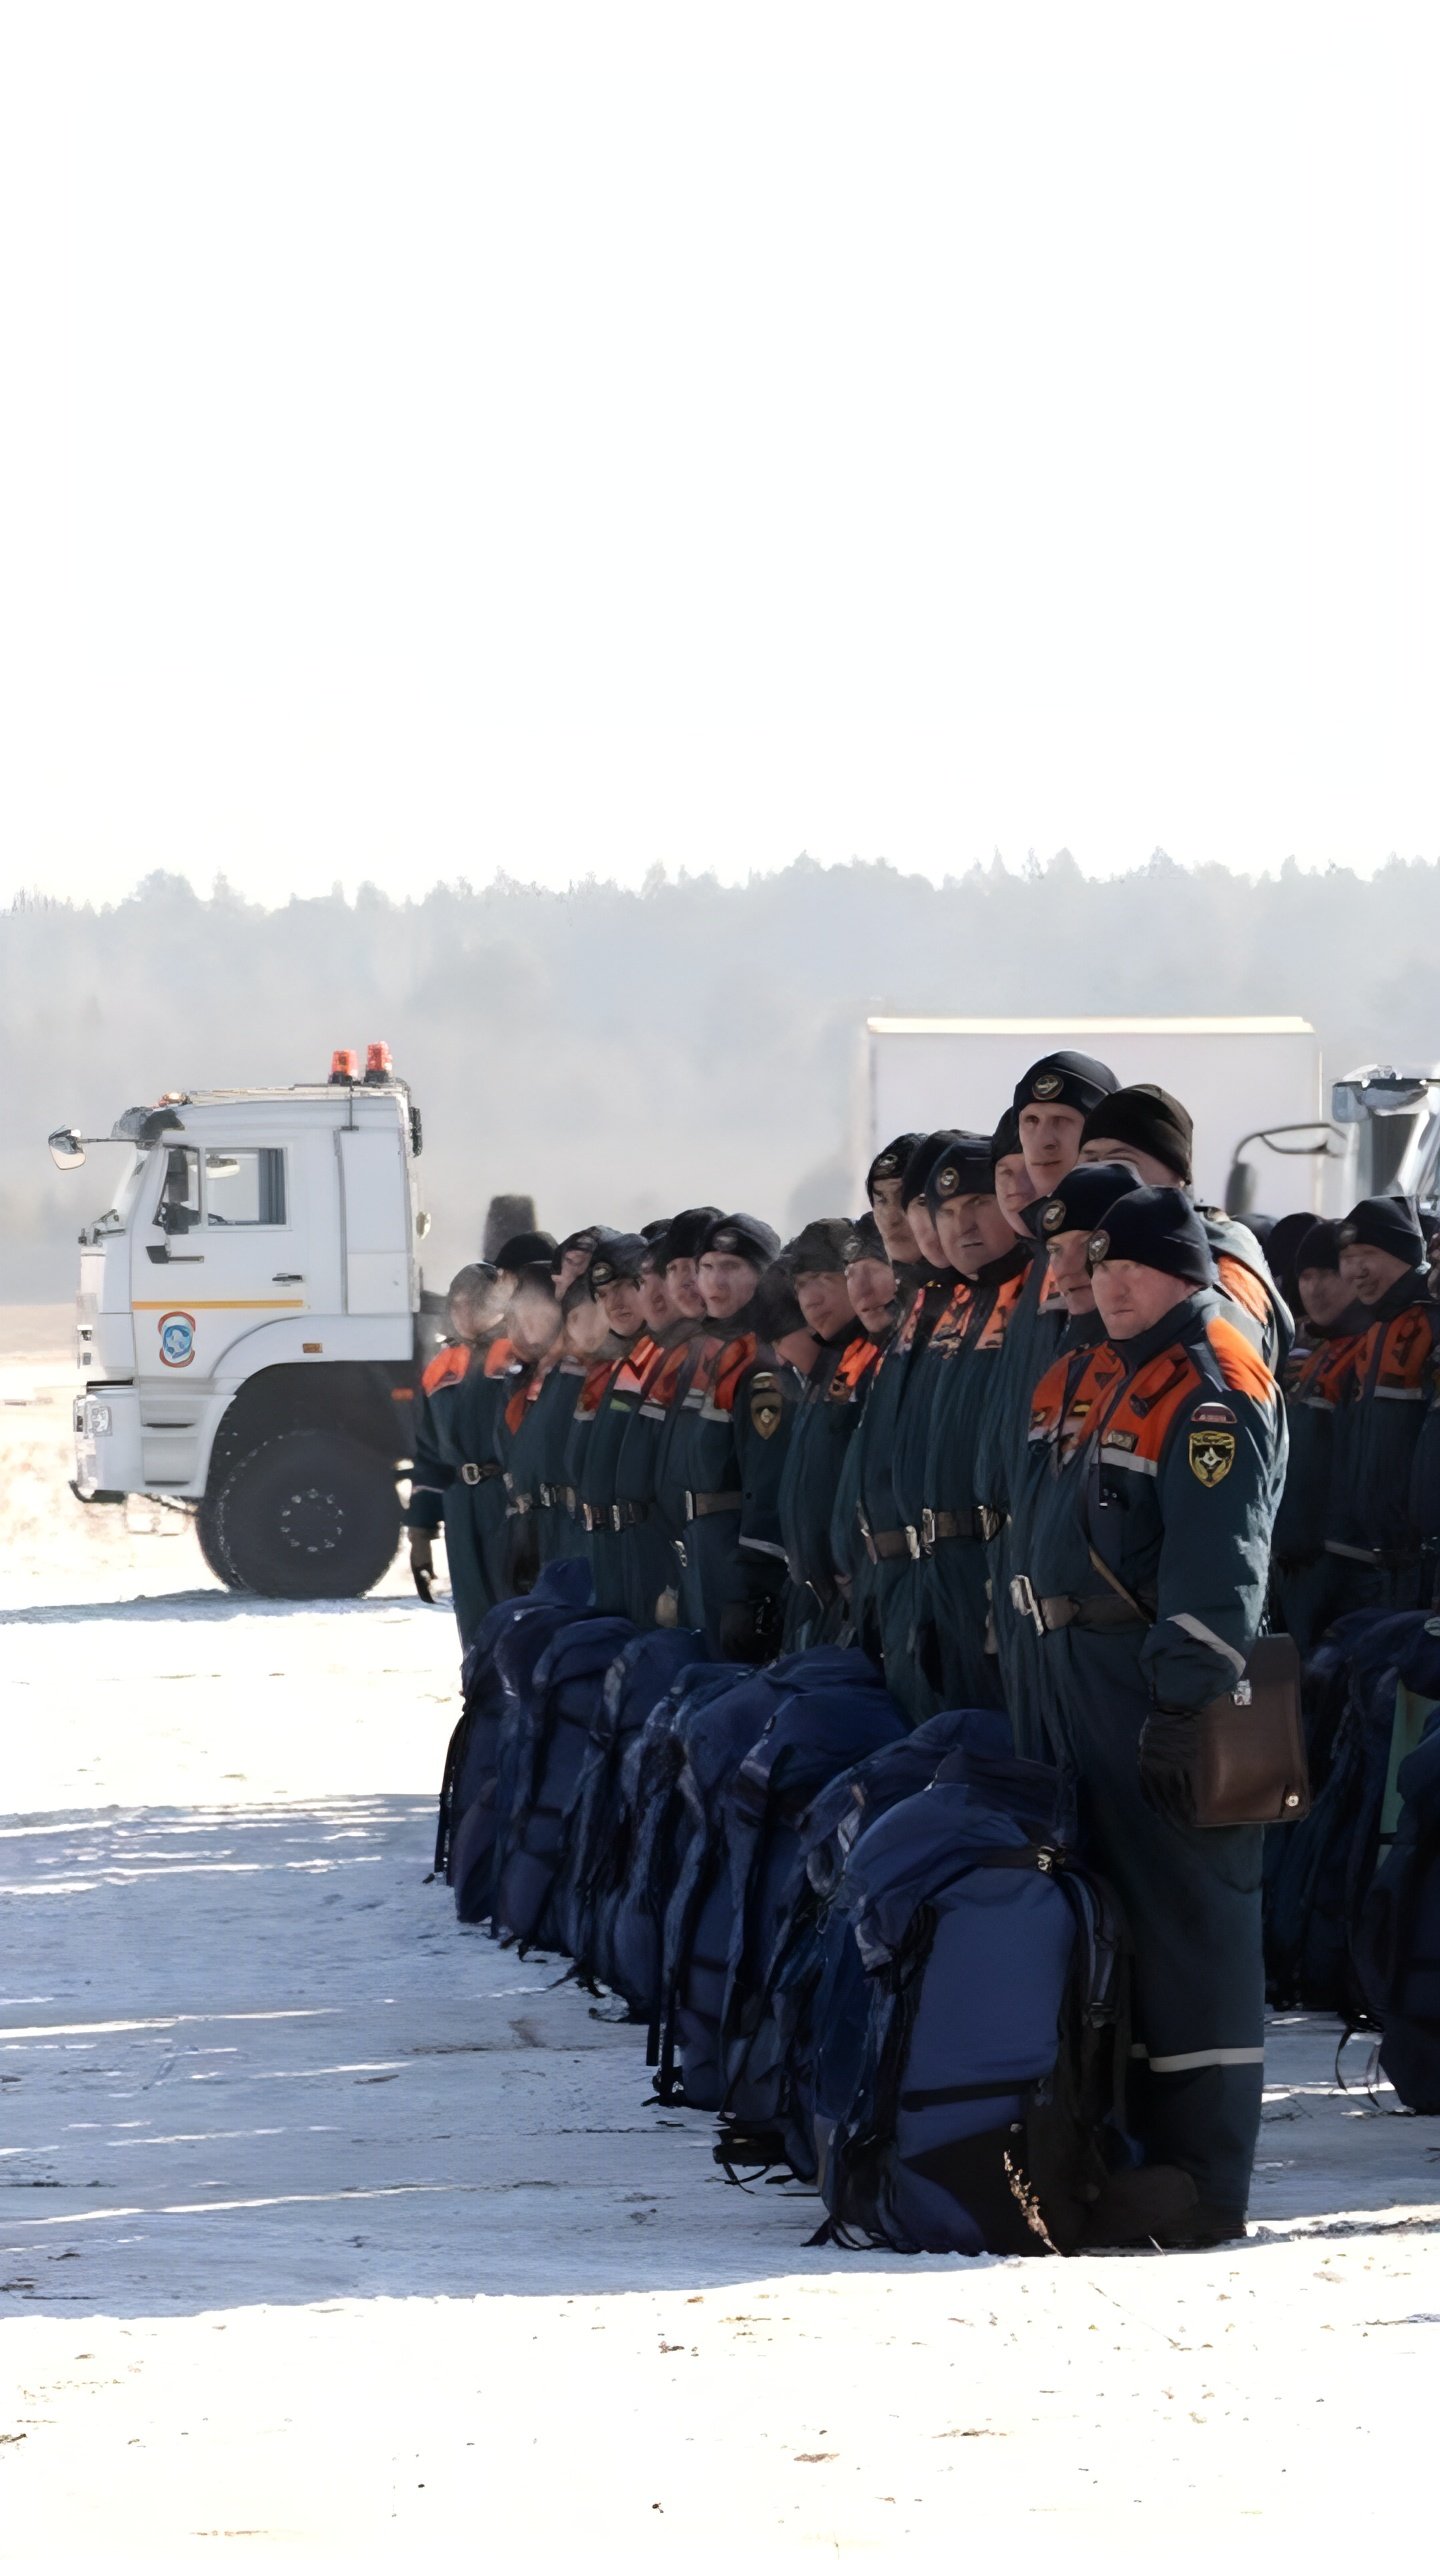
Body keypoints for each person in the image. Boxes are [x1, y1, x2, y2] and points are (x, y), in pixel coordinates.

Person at [1020, 1185, 1285, 2243]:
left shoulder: (1213, 1386)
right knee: (1125, 1926)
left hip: (1158, 1694)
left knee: (1194, 1934)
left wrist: (1185, 1703)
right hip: (1081, 1682)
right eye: (1100, 1264)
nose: (1109, 1282)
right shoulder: (1109, 1371)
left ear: (1187, 1272)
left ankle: (1204, 2180)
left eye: (1133, 1265)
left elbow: (1221, 1571)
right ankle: (1139, 2160)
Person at [975, 1052, 1120, 1756]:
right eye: (1031, 1121)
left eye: (1064, 1121)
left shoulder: (1121, 1257)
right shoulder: (1038, 1269)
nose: (1044, 1140)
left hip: (1100, 1595)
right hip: (1028, 1572)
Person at [1005, 1164, 1138, 1750]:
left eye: (1087, 1248)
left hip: (1123, 1659)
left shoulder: (1163, 1364)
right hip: (1050, 1650)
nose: (1065, 1268)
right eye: (1055, 1250)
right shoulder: (1063, 1364)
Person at [910, 1132, 1035, 1714]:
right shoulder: (957, 1309)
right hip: (944, 1569)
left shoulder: (1039, 1293)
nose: (964, 1224)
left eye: (980, 1204)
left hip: (999, 1564)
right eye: (949, 1212)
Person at [845, 1133, 963, 1683]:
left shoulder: (959, 1308)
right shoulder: (913, 1313)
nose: (892, 1216)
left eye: (908, 1198)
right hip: (892, 1580)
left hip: (947, 1580)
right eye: (879, 1199)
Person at [1077, 1084, 1292, 1373]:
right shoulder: (1099, 1250)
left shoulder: (1218, 1260)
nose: (1101, 1176)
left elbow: (1228, 1368)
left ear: (1177, 1174)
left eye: (1121, 1162)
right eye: (1089, 1161)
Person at [656, 1214, 794, 1658]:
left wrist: (756, 1591)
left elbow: (768, 1480)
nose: (714, 1281)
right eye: (708, 1267)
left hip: (733, 1556)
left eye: (733, 1267)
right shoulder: (711, 1354)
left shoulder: (764, 1361)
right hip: (699, 1550)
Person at [1323, 1196, 1440, 1615]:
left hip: (1423, 1566)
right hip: (1377, 1563)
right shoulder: (1375, 1332)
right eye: (1347, 1257)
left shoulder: (1431, 1320)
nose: (1355, 1270)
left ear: (1406, 1255)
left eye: (1368, 1254)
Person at [776, 1220, 882, 1649]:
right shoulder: (830, 1368)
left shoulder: (876, 1360)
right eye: (802, 1285)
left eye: (824, 1279)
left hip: (861, 1590)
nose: (811, 1298)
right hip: (820, 1599)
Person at [1270, 1219, 1366, 1651]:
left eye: (1328, 1273)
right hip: (1296, 1571)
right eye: (1306, 1276)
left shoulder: (1371, 1354)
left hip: (1345, 1573)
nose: (1316, 1287)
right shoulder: (1312, 1356)